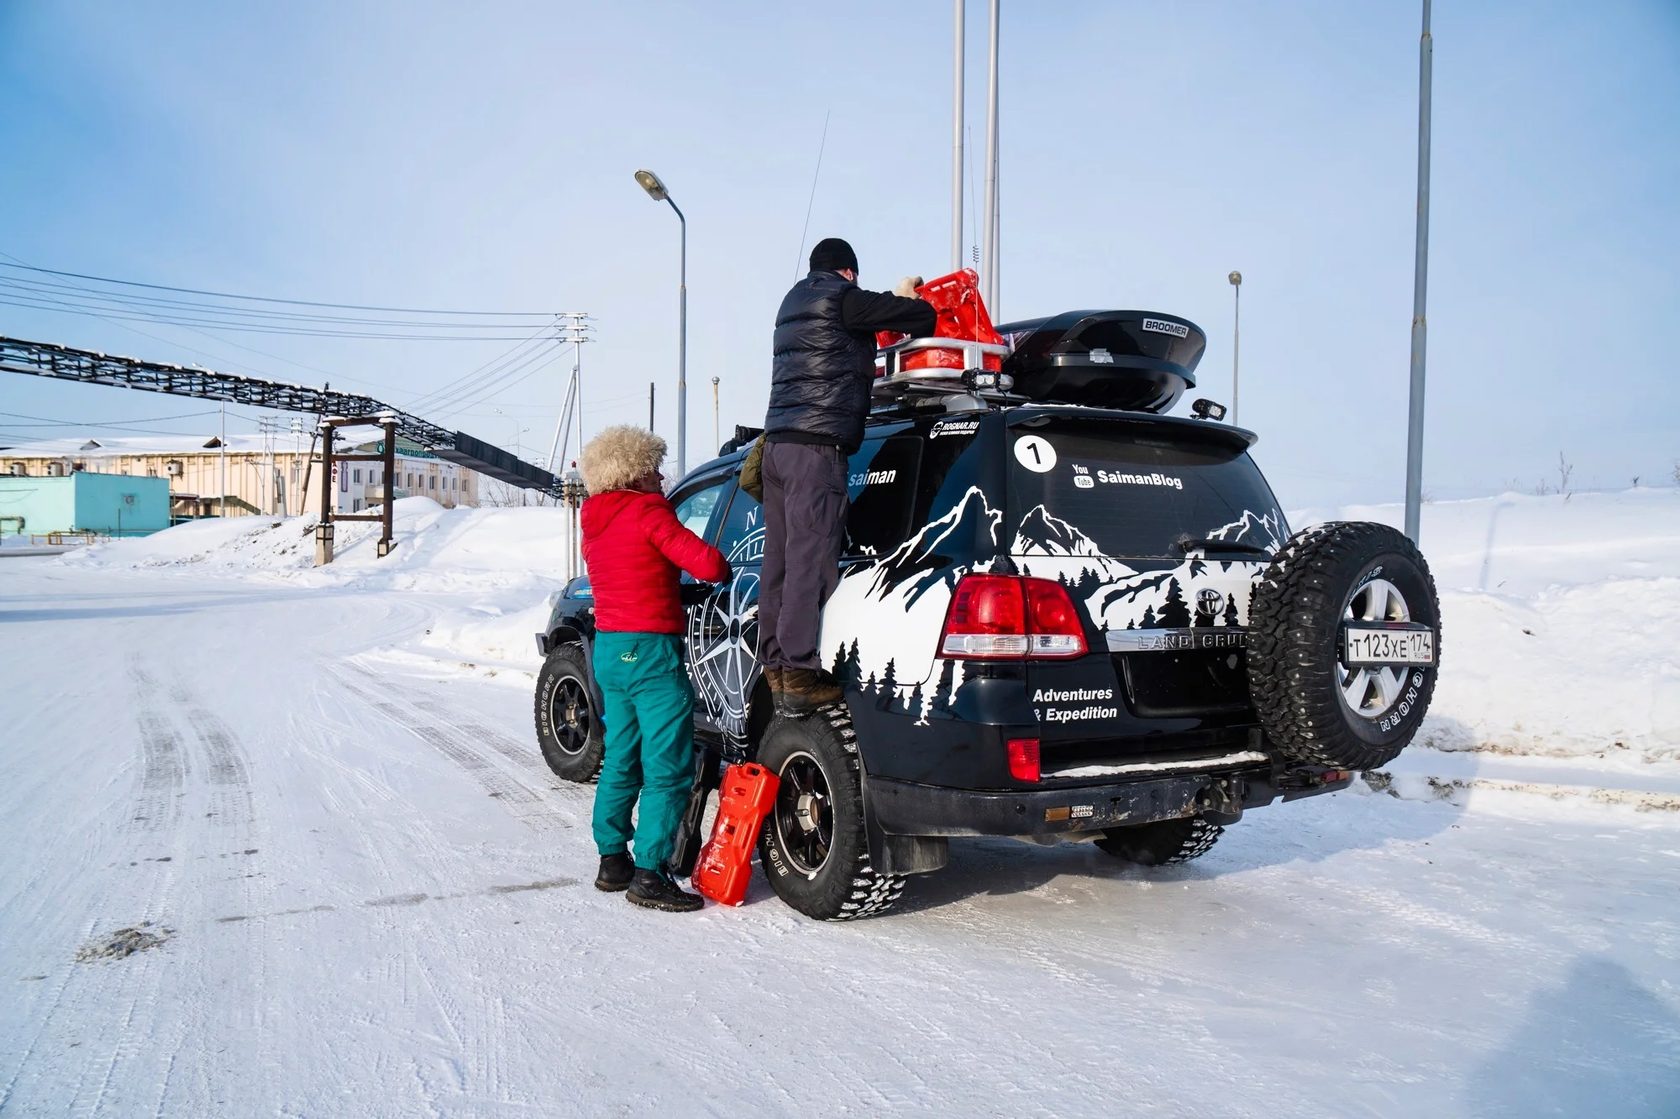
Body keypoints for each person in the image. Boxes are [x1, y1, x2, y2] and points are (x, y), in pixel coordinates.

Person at [759, 237, 936, 715]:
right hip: (817, 448)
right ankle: (799, 674)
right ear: (849, 272)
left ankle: (775, 668)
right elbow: (920, 319)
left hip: (776, 447)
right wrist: (907, 297)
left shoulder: (791, 301)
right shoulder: (842, 297)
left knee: (776, 562)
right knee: (809, 562)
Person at [578, 425, 732, 913]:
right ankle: (651, 873)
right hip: (650, 651)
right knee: (668, 764)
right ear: (635, 472)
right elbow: (709, 565)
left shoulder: (595, 520)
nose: (663, 478)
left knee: (622, 754)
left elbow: (631, 575)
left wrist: (668, 589)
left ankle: (612, 861)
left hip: (611, 650)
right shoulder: (647, 511)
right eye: (655, 469)